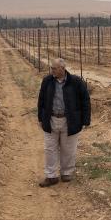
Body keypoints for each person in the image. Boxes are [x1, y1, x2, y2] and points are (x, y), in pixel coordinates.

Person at [37, 57, 91, 187]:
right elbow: (41, 100)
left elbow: (85, 101)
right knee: (50, 148)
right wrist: (40, 117)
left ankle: (66, 172)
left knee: (68, 149)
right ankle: (51, 176)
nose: (52, 70)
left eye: (54, 68)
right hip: (51, 119)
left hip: (70, 120)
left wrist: (85, 120)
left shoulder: (76, 82)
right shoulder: (47, 81)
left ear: (62, 68)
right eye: (52, 68)